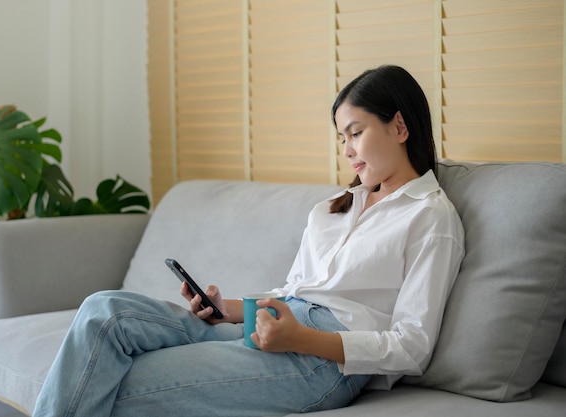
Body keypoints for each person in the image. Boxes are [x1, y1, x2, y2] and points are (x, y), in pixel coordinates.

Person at [32, 65, 464, 417]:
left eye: (355, 133)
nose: (347, 151)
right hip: (273, 326)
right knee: (104, 311)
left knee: (112, 382)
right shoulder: (334, 209)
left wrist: (297, 339)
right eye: (341, 138)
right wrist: (227, 310)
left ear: (400, 127)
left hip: (320, 362)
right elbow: (292, 292)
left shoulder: (431, 217)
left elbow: (411, 347)